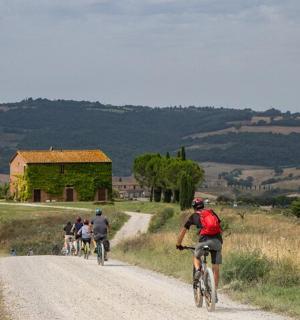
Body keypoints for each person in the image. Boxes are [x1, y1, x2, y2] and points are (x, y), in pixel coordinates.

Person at [176, 198, 222, 302]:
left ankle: (197, 270)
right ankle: (214, 293)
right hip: (217, 241)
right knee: (216, 268)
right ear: (203, 205)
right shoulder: (211, 213)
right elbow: (219, 227)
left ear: (194, 207)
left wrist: (178, 244)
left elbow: (183, 232)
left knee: (196, 256)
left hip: (204, 241)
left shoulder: (193, 216)